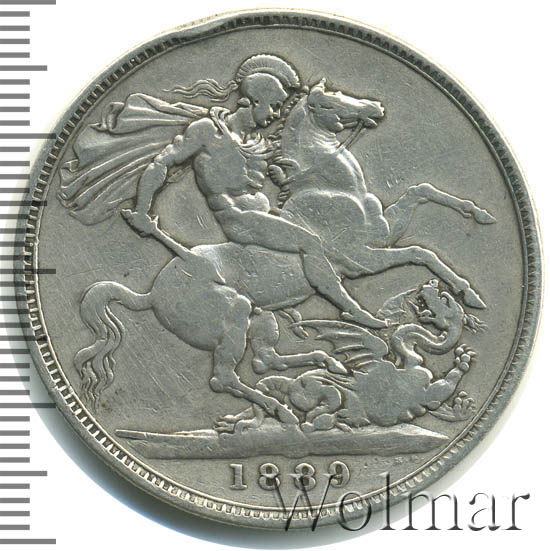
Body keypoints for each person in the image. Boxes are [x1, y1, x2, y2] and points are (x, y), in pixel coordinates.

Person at [121, 54, 386, 329]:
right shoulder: (208, 132)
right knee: (310, 242)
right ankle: (350, 309)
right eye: (274, 106)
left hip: (262, 212)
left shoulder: (256, 141)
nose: (276, 114)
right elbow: (162, 163)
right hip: (238, 219)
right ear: (256, 101)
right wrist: (141, 209)